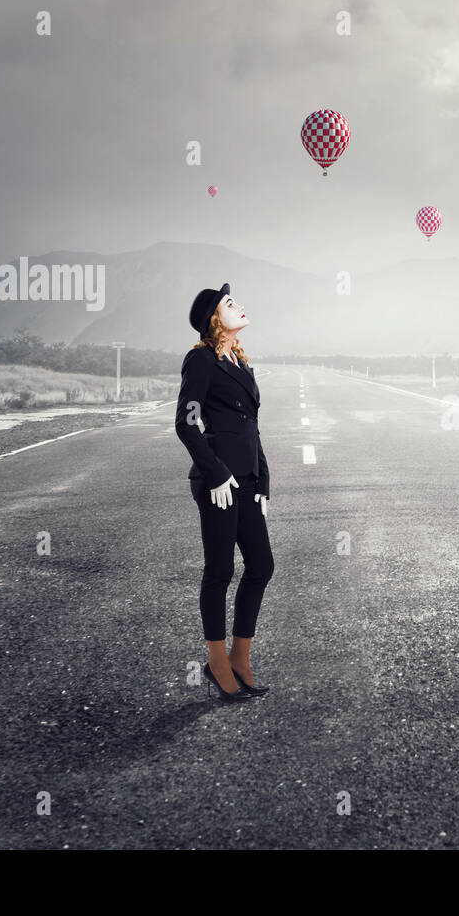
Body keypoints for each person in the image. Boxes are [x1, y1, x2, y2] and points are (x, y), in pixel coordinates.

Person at [175, 282, 274, 703]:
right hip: (219, 485)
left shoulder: (239, 361)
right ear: (215, 318)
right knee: (219, 572)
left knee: (261, 566)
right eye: (231, 304)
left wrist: (263, 479)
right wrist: (215, 474)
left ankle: (239, 657)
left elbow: (251, 428)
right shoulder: (200, 361)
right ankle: (217, 664)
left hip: (248, 481)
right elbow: (187, 422)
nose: (241, 306)